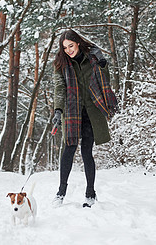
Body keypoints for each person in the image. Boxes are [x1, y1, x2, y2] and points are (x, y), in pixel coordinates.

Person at [51, 29, 118, 208]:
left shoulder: (92, 59)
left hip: (91, 112)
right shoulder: (61, 64)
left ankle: (90, 194)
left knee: (86, 152)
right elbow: (59, 88)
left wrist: (102, 62)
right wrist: (58, 110)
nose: (68, 50)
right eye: (65, 47)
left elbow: (106, 81)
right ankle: (60, 192)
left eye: (70, 46)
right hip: (71, 112)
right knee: (69, 149)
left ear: (78, 43)